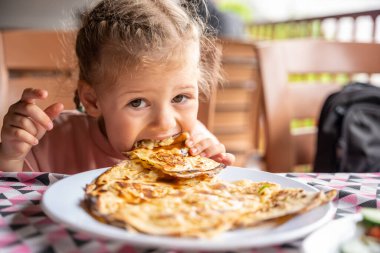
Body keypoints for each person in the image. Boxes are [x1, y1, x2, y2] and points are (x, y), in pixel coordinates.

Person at [0, 0, 235, 174]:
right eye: (138, 102)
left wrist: (212, 169)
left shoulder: (198, 143)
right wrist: (11, 157)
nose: (165, 122)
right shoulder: (51, 142)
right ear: (93, 101)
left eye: (180, 98)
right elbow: (14, 195)